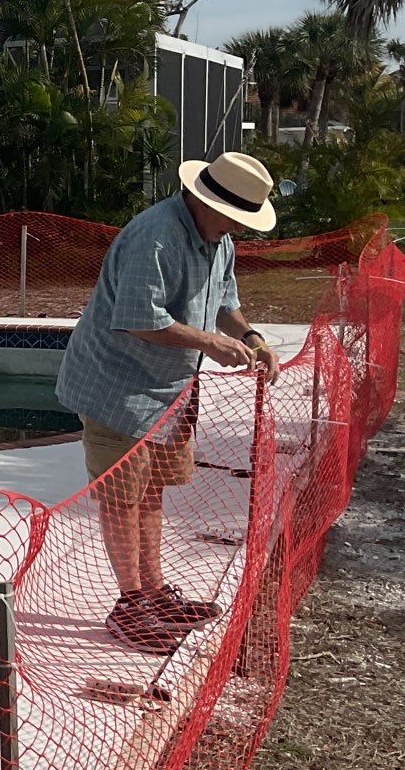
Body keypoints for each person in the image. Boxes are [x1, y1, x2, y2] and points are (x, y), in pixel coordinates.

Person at [55, 151, 283, 654]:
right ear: (206, 200)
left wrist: (251, 336)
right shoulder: (154, 235)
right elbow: (139, 318)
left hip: (168, 390)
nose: (238, 230)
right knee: (121, 498)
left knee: (152, 491)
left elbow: (225, 302)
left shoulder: (217, 239)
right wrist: (207, 343)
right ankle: (130, 604)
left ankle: (154, 592)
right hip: (116, 388)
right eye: (236, 218)